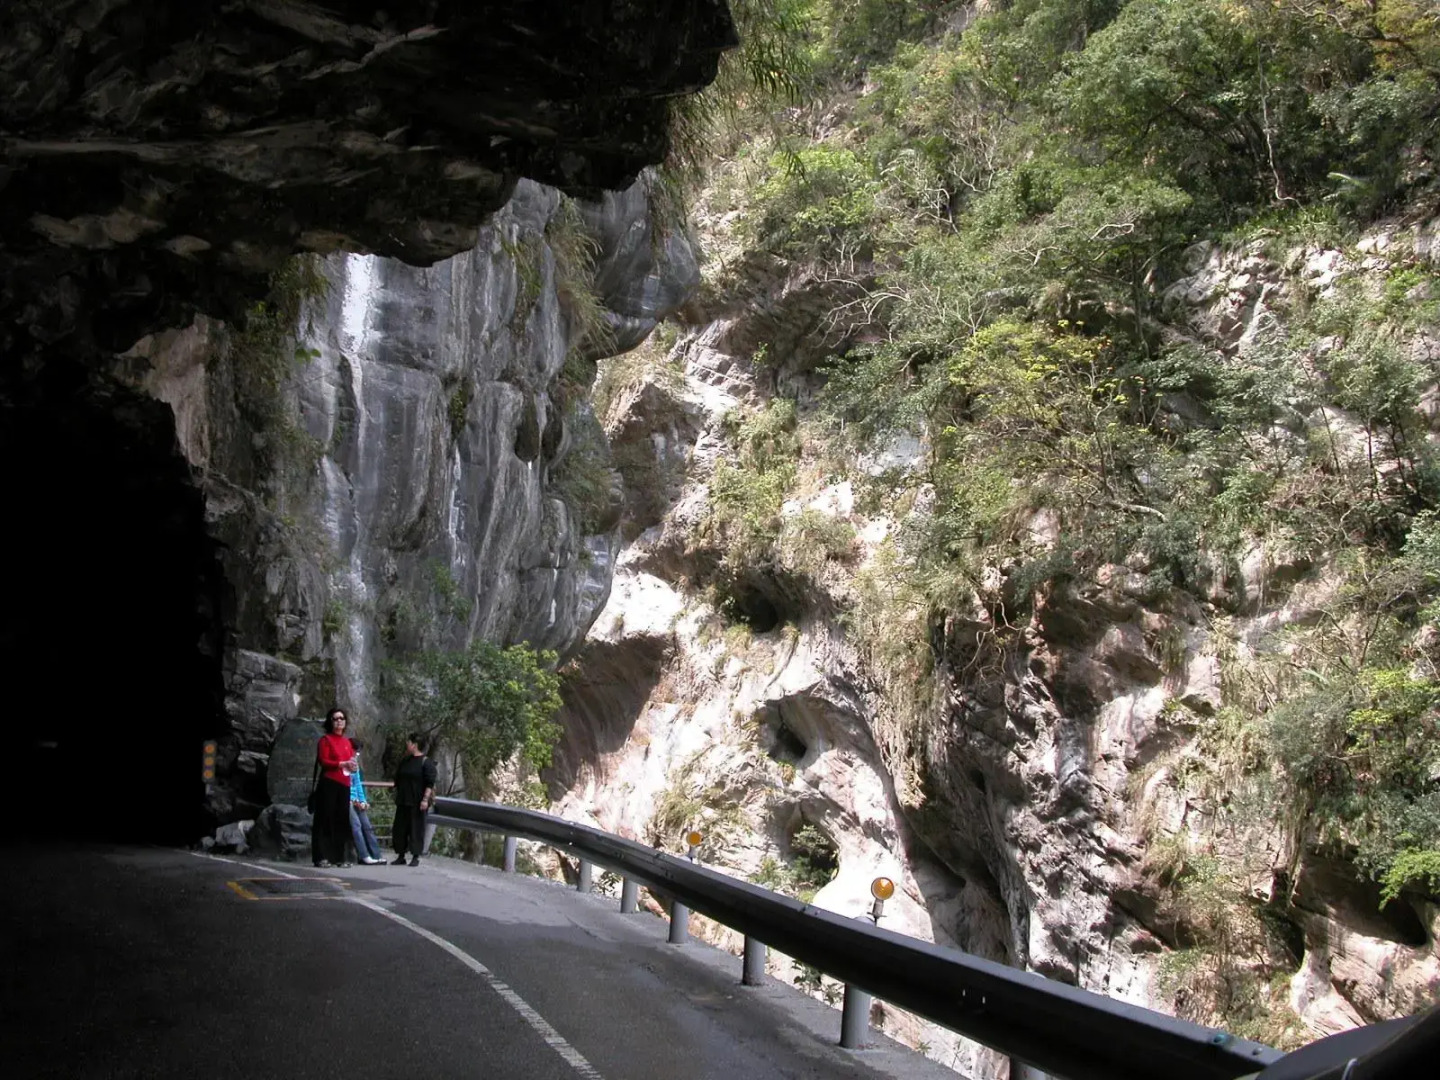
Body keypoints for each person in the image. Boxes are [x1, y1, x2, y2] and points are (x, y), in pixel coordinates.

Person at [312, 708, 357, 869]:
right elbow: (323, 761)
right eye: (335, 718)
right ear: (330, 722)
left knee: (342, 820)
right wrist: (341, 764)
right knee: (325, 818)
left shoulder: (347, 743)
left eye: (342, 718)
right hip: (329, 782)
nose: (339, 721)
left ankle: (339, 856)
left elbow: (350, 761)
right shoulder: (325, 740)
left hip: (344, 783)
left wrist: (352, 766)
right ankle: (320, 856)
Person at [391, 731, 437, 867]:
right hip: (403, 799)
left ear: (415, 745)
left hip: (417, 800)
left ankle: (415, 855)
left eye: (409, 742)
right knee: (400, 828)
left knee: (416, 828)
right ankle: (400, 855)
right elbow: (398, 777)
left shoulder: (426, 762)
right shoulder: (405, 761)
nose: (407, 744)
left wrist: (425, 799)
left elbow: (430, 782)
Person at [347, 739, 384, 865]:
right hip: (348, 800)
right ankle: (364, 855)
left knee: (367, 825)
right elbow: (346, 784)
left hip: (357, 799)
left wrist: (363, 801)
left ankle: (376, 854)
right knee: (356, 825)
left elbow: (357, 783)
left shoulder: (355, 764)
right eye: (355, 751)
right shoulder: (345, 763)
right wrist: (353, 799)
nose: (356, 754)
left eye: (358, 752)